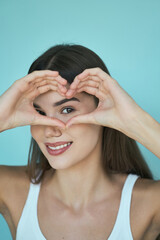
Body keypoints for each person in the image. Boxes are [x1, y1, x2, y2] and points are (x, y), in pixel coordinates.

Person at [0, 44, 160, 240]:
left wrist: (134, 121)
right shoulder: (12, 189)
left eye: (67, 110)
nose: (49, 129)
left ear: (104, 111)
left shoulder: (148, 202)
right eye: (39, 112)